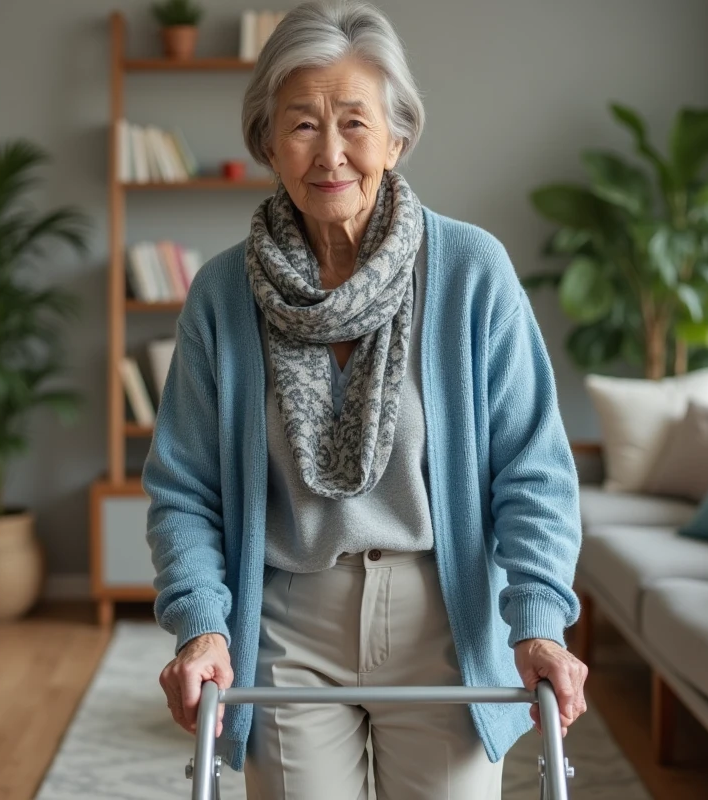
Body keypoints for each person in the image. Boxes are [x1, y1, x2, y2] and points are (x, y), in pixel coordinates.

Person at [143, 2, 587, 797]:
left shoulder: (472, 272)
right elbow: (184, 487)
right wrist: (203, 624)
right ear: (267, 143)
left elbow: (534, 471)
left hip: (443, 617)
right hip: (286, 623)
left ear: (397, 137)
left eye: (355, 121)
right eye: (303, 124)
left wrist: (538, 624)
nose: (331, 152)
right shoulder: (220, 294)